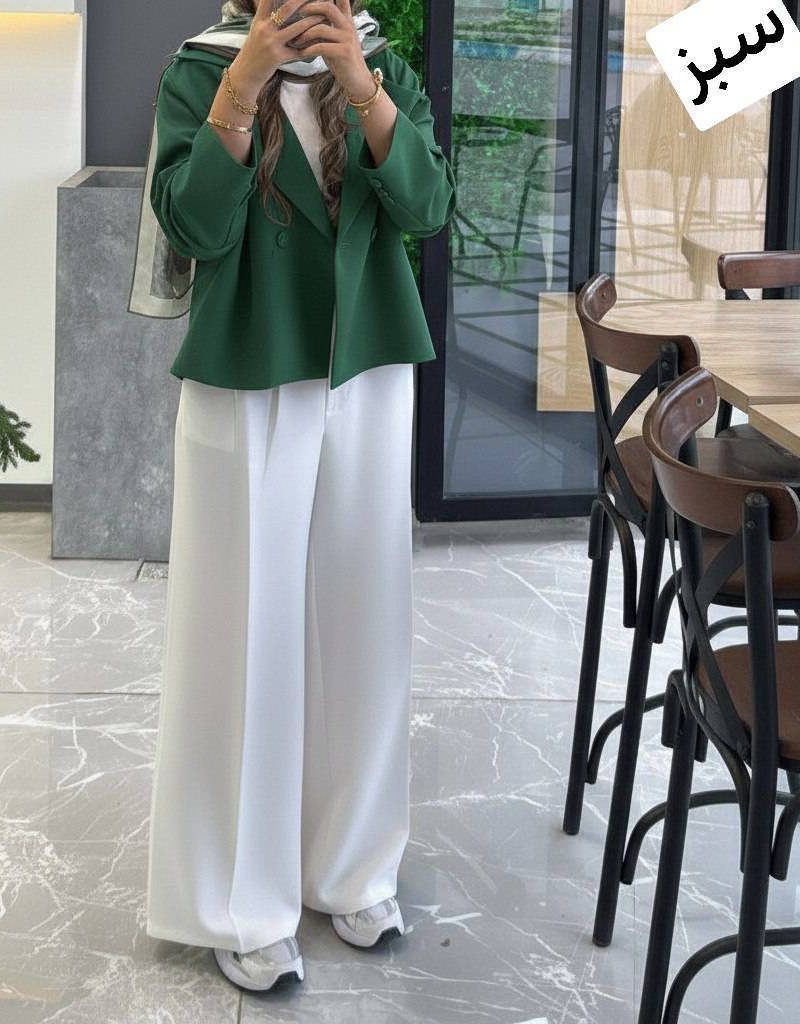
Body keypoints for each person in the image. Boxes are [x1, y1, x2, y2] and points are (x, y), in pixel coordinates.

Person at [144, 0, 456, 993]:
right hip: (250, 372)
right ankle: (240, 897)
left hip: (368, 368)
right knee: (244, 635)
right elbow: (191, 225)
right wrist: (241, 88)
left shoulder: (381, 67)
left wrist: (360, 89)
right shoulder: (202, 69)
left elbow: (426, 209)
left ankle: (352, 866)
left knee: (364, 624)